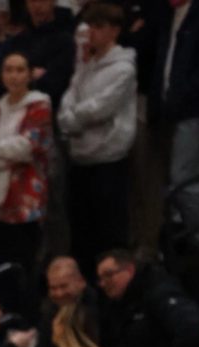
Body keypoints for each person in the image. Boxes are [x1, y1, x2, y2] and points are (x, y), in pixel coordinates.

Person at [57, 2, 137, 279]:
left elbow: (100, 107)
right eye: (90, 26)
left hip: (107, 158)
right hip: (80, 157)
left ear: (114, 31)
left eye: (99, 27)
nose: (92, 33)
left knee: (109, 233)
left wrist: (71, 118)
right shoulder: (86, 63)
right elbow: (70, 96)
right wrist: (68, 117)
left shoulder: (123, 67)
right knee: (81, 232)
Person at [0, 51, 52, 314]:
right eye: (8, 69)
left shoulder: (39, 104)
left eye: (20, 70)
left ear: (30, 74)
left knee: (24, 266)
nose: (14, 75)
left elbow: (28, 146)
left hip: (24, 200)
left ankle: (25, 322)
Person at [147, 0, 199, 254]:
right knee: (169, 183)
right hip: (166, 112)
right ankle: (178, 243)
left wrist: (182, 96)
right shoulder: (167, 15)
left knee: (186, 181)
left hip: (194, 110)